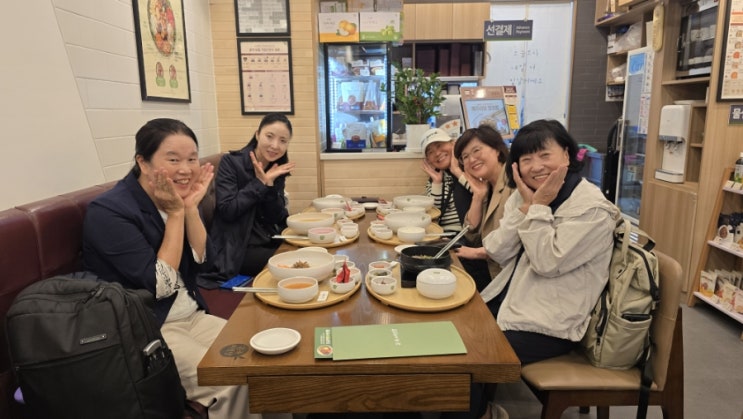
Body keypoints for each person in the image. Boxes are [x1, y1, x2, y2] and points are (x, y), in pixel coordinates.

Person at [83, 118, 289, 419]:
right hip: (150, 329)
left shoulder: (177, 198)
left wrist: (191, 208)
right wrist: (178, 214)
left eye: (192, 159)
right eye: (173, 159)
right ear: (143, 162)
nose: (186, 169)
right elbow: (161, 285)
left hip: (192, 313)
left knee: (270, 364)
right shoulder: (110, 212)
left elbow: (207, 262)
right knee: (232, 380)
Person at [482, 119, 620, 362]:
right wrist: (527, 207)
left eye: (545, 155)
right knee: (454, 327)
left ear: (566, 154)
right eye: (526, 160)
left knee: (471, 353)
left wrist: (538, 208)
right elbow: (497, 251)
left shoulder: (592, 209)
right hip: (510, 303)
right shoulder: (526, 195)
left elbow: (546, 263)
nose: (536, 167)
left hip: (547, 325)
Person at [207, 113, 295, 281]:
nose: (275, 145)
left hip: (267, 238)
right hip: (237, 248)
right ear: (257, 134)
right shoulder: (231, 162)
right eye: (269, 136)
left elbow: (275, 217)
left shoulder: (276, 167)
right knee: (296, 263)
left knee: (311, 251)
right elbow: (228, 210)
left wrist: (270, 185)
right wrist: (260, 183)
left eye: (283, 141)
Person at [451, 125, 514, 291]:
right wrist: (478, 196)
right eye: (465, 156)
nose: (471, 160)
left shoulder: (514, 183)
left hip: (511, 278)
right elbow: (470, 233)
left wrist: (477, 253)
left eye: (476, 150)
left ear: (497, 149)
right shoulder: (486, 185)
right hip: (494, 272)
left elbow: (515, 241)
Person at [419, 127, 471, 232]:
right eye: (430, 152)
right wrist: (437, 182)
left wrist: (456, 171)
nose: (437, 153)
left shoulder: (470, 165)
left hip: (468, 234)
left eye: (439, 145)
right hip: (443, 235)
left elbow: (481, 193)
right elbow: (434, 213)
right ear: (428, 161)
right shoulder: (433, 181)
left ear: (453, 144)